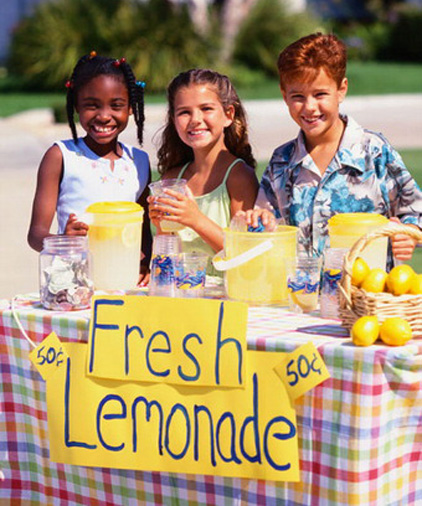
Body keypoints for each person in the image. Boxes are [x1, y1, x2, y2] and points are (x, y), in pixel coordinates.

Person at [247, 32, 422, 265]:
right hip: (303, 297)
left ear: (341, 90)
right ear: (284, 95)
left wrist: (408, 233)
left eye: (320, 94)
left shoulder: (375, 152)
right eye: (298, 96)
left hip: (365, 297)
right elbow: (266, 223)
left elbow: (416, 212)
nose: (309, 107)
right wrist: (259, 222)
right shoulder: (281, 161)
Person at [27, 52, 152, 283]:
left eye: (116, 105)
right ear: (76, 105)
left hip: (123, 281)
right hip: (72, 283)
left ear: (131, 108)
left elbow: (143, 227)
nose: (104, 116)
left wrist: (144, 263)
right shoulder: (61, 156)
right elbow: (36, 235)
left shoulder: (139, 162)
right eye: (92, 105)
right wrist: (64, 240)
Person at [149, 68, 259, 275]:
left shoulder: (239, 177)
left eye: (206, 108)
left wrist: (195, 219)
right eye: (184, 112)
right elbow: (166, 257)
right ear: (174, 120)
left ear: (228, 115)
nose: (195, 119)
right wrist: (161, 226)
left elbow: (244, 255)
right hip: (184, 294)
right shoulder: (172, 179)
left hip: (226, 296)